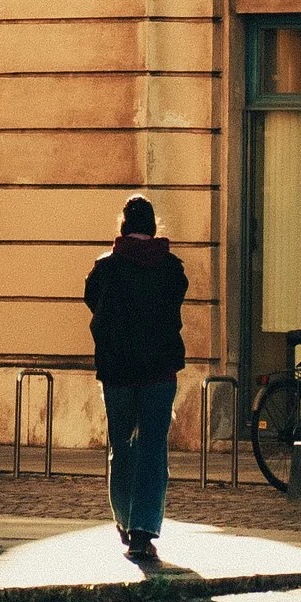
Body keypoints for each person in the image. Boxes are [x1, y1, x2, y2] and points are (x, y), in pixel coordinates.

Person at [84, 195, 188, 566]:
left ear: (124, 226)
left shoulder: (105, 268)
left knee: (122, 446)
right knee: (153, 447)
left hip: (117, 371)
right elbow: (175, 305)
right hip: (160, 371)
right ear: (154, 226)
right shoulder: (173, 268)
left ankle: (124, 519)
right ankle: (144, 529)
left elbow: (93, 304)